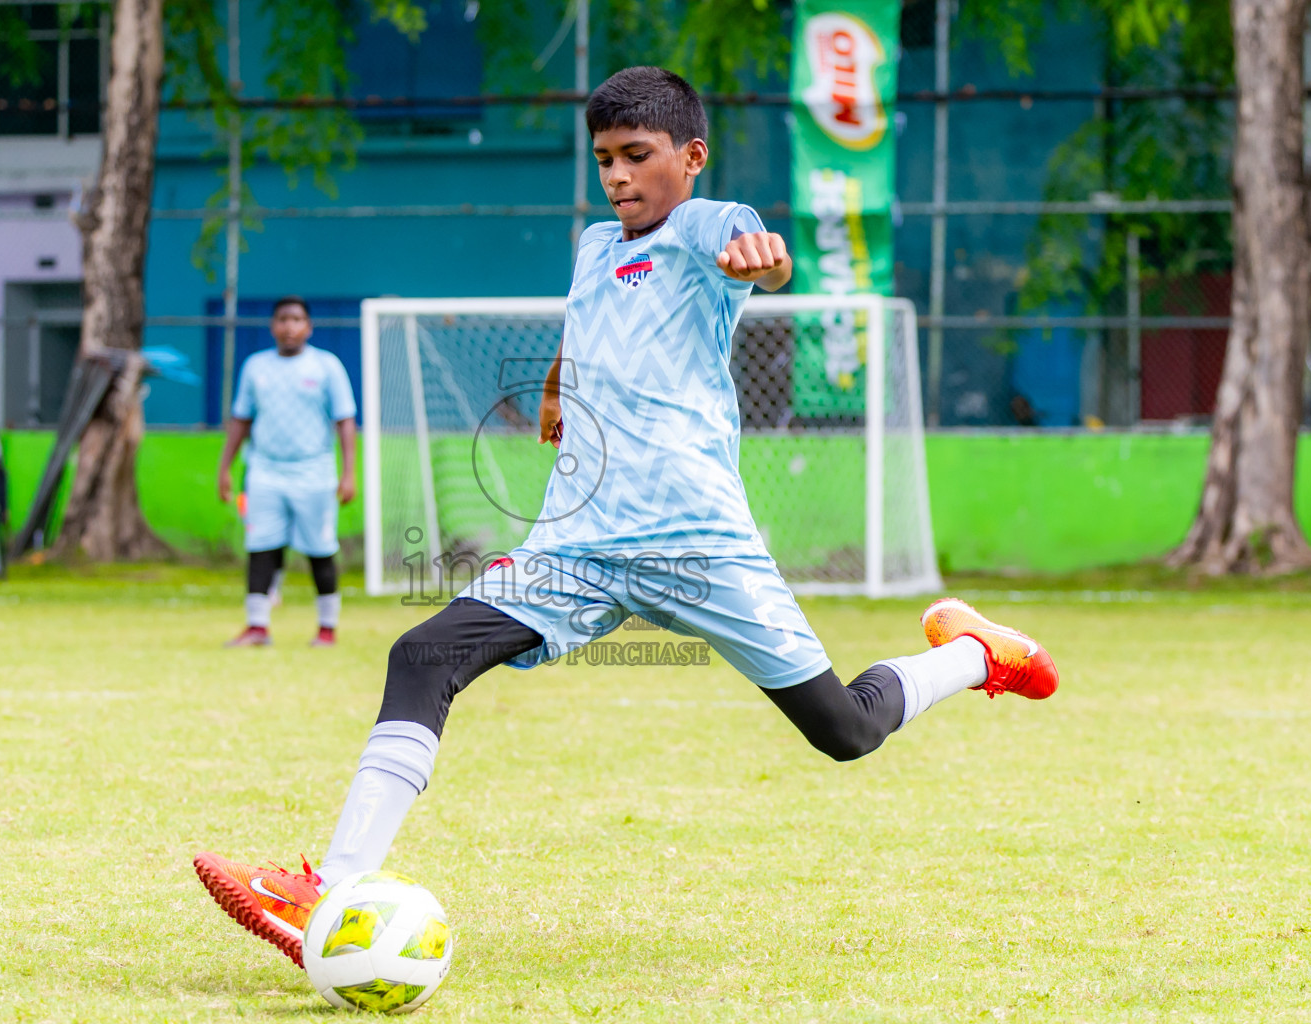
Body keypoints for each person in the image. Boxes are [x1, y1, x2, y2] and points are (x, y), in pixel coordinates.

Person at [193, 67, 1058, 965]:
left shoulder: (702, 226)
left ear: (690, 157)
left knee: (843, 731)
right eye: (604, 158)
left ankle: (970, 653)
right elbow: (591, 314)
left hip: (699, 547)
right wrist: (563, 383)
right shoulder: (594, 245)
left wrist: (763, 255)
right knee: (421, 655)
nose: (618, 177)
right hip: (579, 544)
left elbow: (751, 241)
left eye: (638, 157)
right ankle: (325, 895)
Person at [217, 296, 357, 648]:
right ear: (272, 326)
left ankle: (327, 629)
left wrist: (349, 472)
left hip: (314, 472)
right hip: (264, 471)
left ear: (308, 327)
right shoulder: (255, 367)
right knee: (261, 546)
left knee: (320, 549)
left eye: (296, 319)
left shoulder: (327, 366)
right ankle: (257, 627)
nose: (289, 326)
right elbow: (240, 419)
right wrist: (224, 468)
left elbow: (345, 421)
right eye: (282, 319)